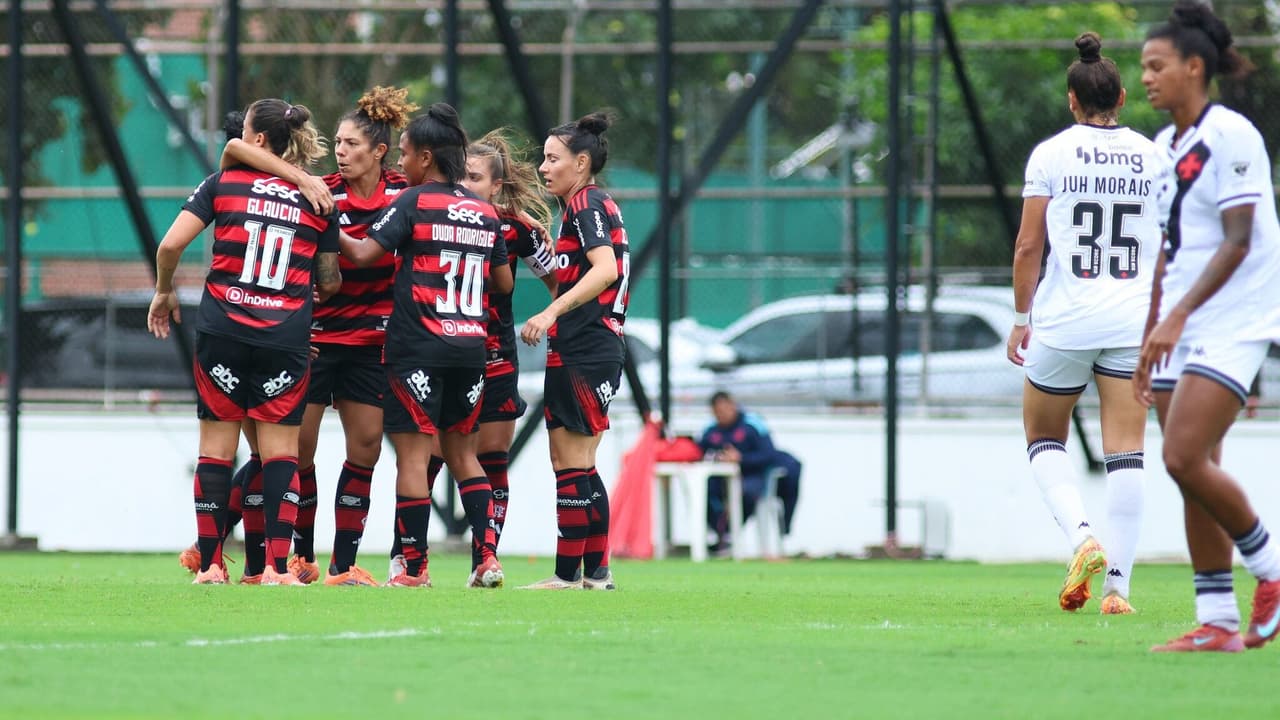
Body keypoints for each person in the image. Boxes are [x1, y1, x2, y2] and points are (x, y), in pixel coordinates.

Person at [218, 86, 418, 586]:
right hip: (315, 339)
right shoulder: (320, 190)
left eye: (353, 144)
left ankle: (343, 564)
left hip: (373, 344)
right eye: (340, 143)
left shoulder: (402, 195)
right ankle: (294, 557)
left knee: (366, 449)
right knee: (293, 452)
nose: (343, 152)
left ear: (379, 152)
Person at [1135, 1, 1280, 652]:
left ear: (1195, 67)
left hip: (1236, 316)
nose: (1146, 77)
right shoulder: (1166, 148)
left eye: (1156, 65)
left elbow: (1238, 239)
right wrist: (1150, 333)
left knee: (1182, 455)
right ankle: (1217, 621)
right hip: (1178, 321)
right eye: (1143, 67)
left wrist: (1179, 316)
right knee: (1193, 469)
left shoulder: (1232, 134)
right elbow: (1168, 250)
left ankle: (1272, 572)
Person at [148, 98, 341, 585]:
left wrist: (164, 290)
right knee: (280, 453)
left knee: (216, 449)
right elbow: (331, 280)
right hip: (284, 336)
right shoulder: (319, 201)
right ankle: (279, 568)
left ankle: (210, 566)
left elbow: (169, 245)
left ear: (257, 140)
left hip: (224, 330)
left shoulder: (224, 184)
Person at [1006, 32, 1166, 615]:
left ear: (1071, 101)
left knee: (1044, 437)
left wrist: (1021, 319)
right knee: (1128, 452)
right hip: (1132, 321)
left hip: (1066, 319)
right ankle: (1118, 590)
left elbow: (1029, 248)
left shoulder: (1051, 154)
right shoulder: (1155, 157)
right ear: (1122, 97)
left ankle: (1081, 537)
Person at [342, 103, 512, 589]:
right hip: (470, 349)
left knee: (414, 459)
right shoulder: (484, 212)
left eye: (405, 153)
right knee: (464, 456)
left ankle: (414, 568)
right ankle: (486, 559)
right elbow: (502, 282)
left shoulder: (412, 202)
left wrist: (325, 218)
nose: (400, 164)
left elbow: (360, 253)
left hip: (418, 347)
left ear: (427, 157)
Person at [519, 110, 629, 591]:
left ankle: (567, 575)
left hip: (586, 348)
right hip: (594, 346)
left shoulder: (585, 203)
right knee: (579, 461)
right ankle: (596, 575)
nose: (544, 168)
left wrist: (548, 314)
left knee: (569, 461)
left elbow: (604, 270)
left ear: (581, 163)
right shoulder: (590, 205)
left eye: (552, 158)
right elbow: (585, 271)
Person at [460, 129, 558, 553]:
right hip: (443, 353)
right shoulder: (431, 213)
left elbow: (558, 281)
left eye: (475, 178)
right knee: (426, 457)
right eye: (459, 177)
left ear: (496, 186)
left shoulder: (517, 228)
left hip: (496, 354)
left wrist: (559, 321)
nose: (465, 186)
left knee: (493, 457)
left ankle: (486, 556)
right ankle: (408, 560)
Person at [698, 391, 801, 554]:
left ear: (733, 406)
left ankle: (730, 533)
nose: (722, 414)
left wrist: (741, 458)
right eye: (718, 411)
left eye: (725, 409)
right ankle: (722, 536)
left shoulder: (752, 425)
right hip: (721, 478)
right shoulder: (710, 430)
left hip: (754, 476)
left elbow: (768, 454)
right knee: (703, 492)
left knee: (746, 493)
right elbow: (700, 452)